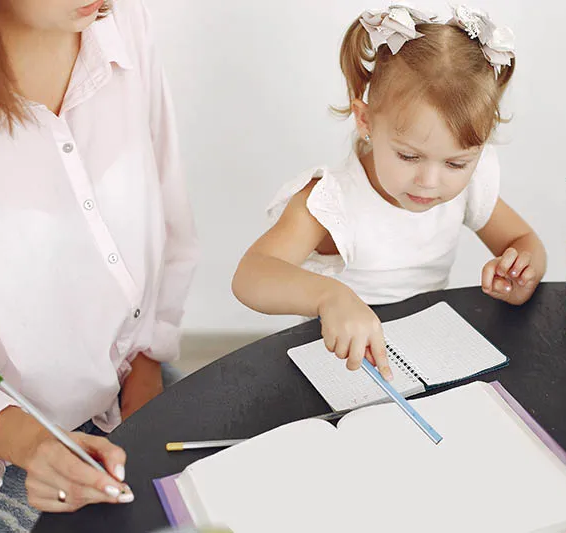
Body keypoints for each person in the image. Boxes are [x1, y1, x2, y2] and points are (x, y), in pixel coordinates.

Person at [0, 0, 198, 529]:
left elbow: (167, 214)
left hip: (130, 389)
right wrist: (29, 441)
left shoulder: (122, 24)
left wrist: (144, 378)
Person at [233, 5, 546, 381]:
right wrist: (329, 297)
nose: (430, 182)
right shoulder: (331, 202)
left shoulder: (469, 186)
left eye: (456, 164)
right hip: (339, 367)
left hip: (425, 358)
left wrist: (523, 269)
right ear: (365, 120)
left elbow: (522, 240)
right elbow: (251, 275)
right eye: (409, 156)